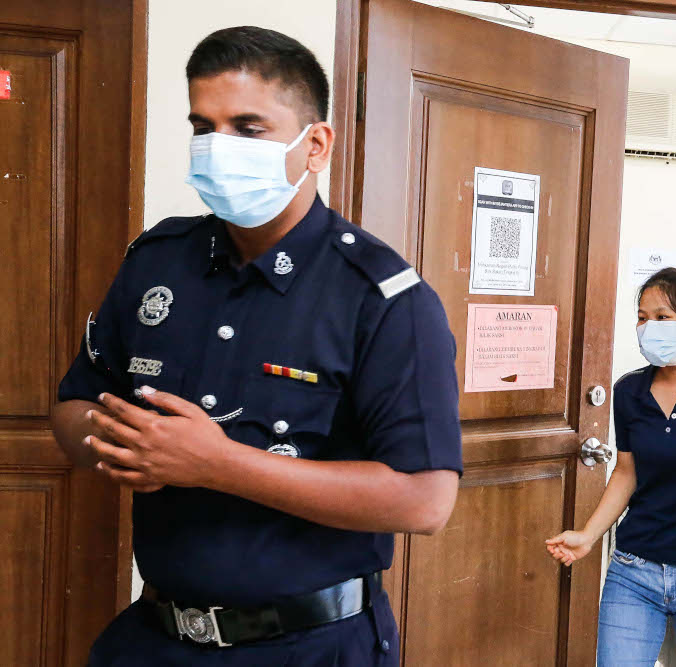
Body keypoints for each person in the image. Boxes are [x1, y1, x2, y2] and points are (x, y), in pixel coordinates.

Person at [50, 26, 462, 666]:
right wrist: (125, 443)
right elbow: (74, 404)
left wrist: (216, 463)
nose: (218, 148)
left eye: (248, 128)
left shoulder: (382, 299)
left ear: (315, 144)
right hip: (156, 636)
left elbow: (425, 499)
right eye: (203, 126)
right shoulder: (157, 262)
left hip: (308, 645)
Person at [545, 267, 676, 667]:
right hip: (634, 570)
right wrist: (588, 535)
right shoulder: (629, 391)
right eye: (642, 317)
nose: (648, 327)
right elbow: (626, 472)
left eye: (662, 318)